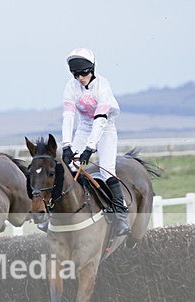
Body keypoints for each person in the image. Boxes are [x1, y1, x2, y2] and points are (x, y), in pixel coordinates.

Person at [60, 47, 130, 236]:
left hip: (106, 128)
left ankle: (121, 215)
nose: (80, 78)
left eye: (83, 73)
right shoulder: (71, 87)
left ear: (92, 69)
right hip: (84, 128)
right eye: (76, 75)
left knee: (107, 171)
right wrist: (66, 145)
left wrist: (89, 148)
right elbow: (68, 117)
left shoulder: (103, 86)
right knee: (68, 168)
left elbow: (100, 120)